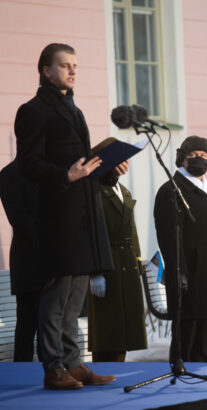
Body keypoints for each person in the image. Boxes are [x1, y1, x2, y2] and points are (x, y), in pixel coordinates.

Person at [14, 43, 117, 389]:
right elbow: (27, 164)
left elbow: (82, 164)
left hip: (82, 215)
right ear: (45, 70)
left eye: (75, 65)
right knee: (57, 298)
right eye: (65, 65)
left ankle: (74, 363)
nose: (73, 71)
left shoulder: (72, 109)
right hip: (58, 217)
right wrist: (64, 176)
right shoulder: (33, 110)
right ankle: (53, 368)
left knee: (75, 298)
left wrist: (110, 170)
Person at [154, 136, 207, 363]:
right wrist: (178, 270)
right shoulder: (171, 191)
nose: (199, 160)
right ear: (182, 160)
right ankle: (182, 373)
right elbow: (169, 237)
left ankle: (206, 370)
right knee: (188, 333)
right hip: (189, 273)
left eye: (204, 156)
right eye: (193, 156)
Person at [86, 140, 147, 362]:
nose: (124, 166)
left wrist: (137, 261)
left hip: (127, 265)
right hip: (106, 265)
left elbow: (132, 230)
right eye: (120, 161)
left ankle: (116, 372)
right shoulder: (92, 191)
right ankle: (103, 373)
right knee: (106, 331)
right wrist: (95, 272)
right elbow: (88, 232)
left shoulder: (123, 190)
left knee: (124, 333)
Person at [0, 160, 43, 361]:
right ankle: (23, 374)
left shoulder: (47, 170)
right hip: (28, 261)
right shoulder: (9, 174)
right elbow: (17, 216)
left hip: (51, 262)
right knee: (27, 324)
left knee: (49, 326)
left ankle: (53, 371)